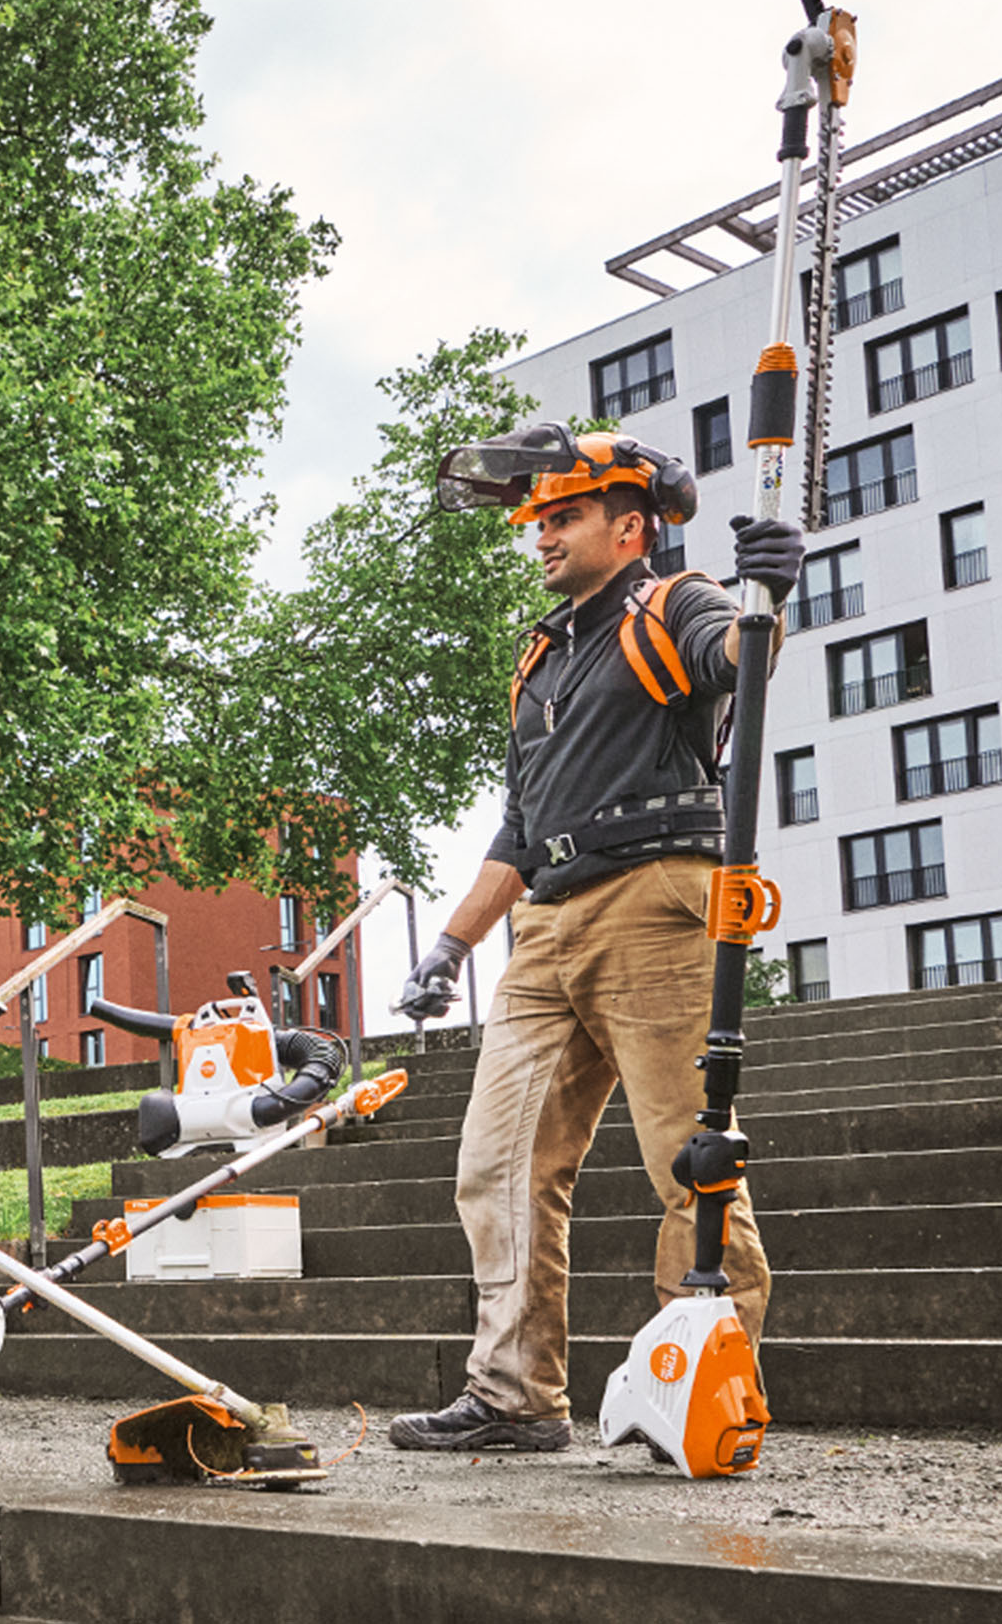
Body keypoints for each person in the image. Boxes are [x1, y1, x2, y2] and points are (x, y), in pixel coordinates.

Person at [384, 428, 806, 1453]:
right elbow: (518, 828)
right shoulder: (540, 656)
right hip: (544, 927)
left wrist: (769, 598)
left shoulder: (675, 603)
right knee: (498, 1163)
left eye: (564, 517)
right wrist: (451, 945)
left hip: (653, 903)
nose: (541, 536)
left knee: (689, 1158)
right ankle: (513, 1396)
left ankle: (701, 1385)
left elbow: (737, 661)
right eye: (537, 521)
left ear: (631, 527)